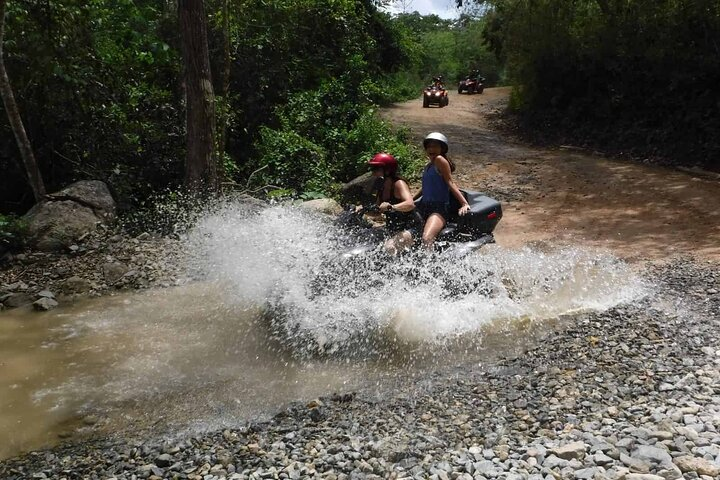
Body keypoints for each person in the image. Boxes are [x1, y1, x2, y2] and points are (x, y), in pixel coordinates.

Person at [415, 132, 470, 249]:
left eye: (435, 146)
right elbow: (424, 187)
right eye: (429, 146)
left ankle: (430, 265)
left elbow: (450, 182)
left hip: (438, 208)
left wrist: (464, 203)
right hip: (424, 206)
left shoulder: (440, 160)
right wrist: (411, 199)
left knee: (427, 238)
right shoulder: (428, 166)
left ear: (442, 148)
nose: (431, 149)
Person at [362, 152, 422, 255]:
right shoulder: (381, 186)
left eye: (376, 169)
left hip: (412, 228)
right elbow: (378, 211)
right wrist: (363, 210)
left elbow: (410, 204)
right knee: (366, 237)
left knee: (389, 247)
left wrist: (391, 207)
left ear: (388, 170)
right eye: (373, 169)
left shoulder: (398, 184)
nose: (373, 172)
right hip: (393, 227)